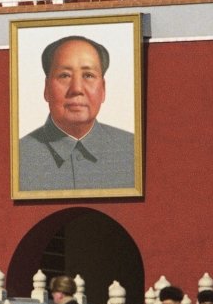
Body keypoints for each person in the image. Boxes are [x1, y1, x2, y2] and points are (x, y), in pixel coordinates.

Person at [18, 35, 135, 191]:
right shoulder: (18, 157)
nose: (77, 89)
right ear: (46, 88)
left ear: (103, 89)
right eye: (65, 75)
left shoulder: (133, 150)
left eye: (88, 75)